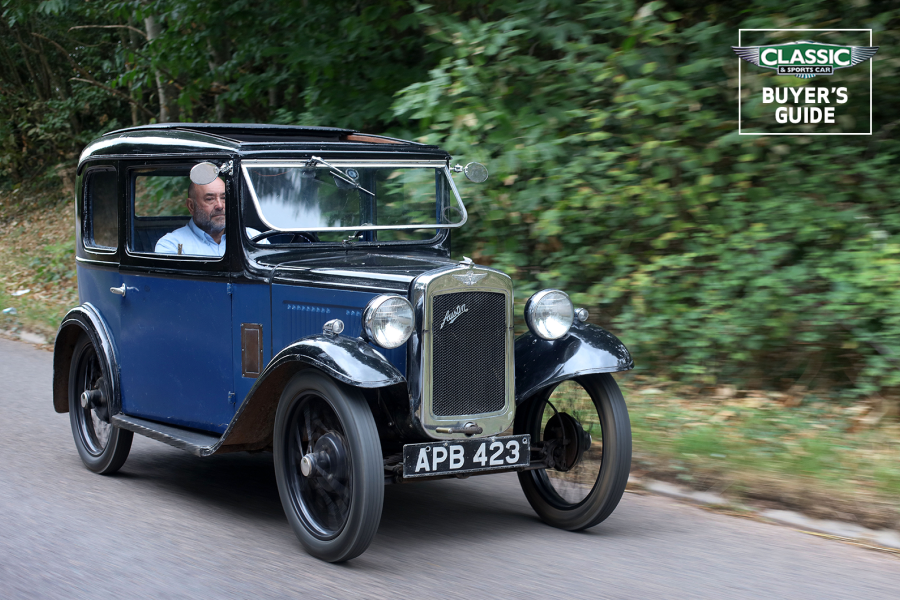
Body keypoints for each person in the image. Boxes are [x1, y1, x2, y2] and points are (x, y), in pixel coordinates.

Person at [155, 177, 227, 256]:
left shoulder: (241, 237)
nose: (220, 206)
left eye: (224, 198)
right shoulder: (172, 245)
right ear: (191, 206)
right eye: (210, 199)